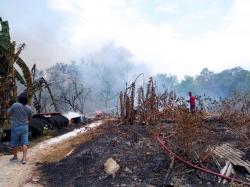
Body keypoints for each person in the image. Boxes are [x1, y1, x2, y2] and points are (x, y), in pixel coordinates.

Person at [7, 94, 32, 164]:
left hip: (15, 127)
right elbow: (30, 119)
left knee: (14, 143)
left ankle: (15, 157)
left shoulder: (15, 105)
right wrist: (27, 123)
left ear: (19, 99)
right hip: (24, 127)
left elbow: (8, 114)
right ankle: (24, 159)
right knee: (24, 143)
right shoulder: (29, 108)